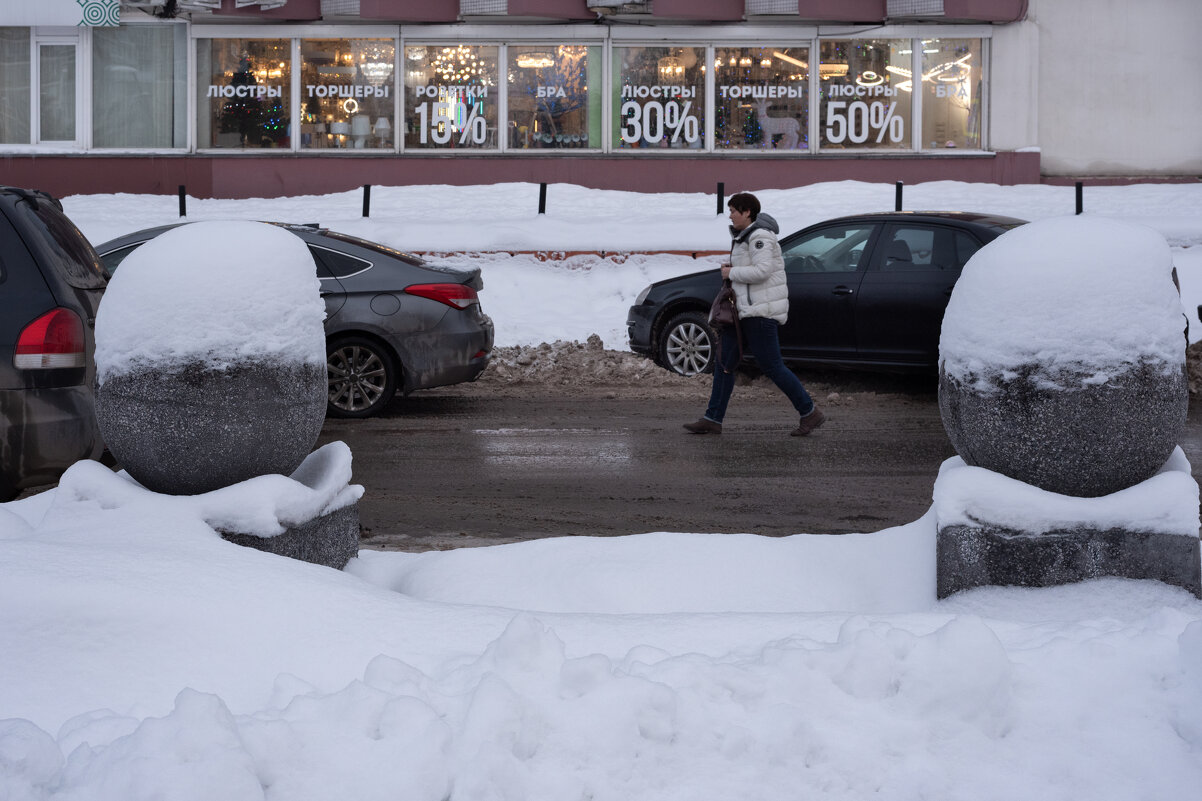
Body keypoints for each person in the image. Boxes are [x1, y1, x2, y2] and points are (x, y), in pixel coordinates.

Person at [683, 191, 825, 436]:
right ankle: (712, 419)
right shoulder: (744, 237)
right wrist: (733, 271)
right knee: (724, 364)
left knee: (772, 366)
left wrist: (732, 273)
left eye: (734, 211)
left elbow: (762, 271)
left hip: (760, 312)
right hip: (742, 313)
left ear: (747, 212)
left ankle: (810, 412)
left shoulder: (760, 237)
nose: (730, 215)